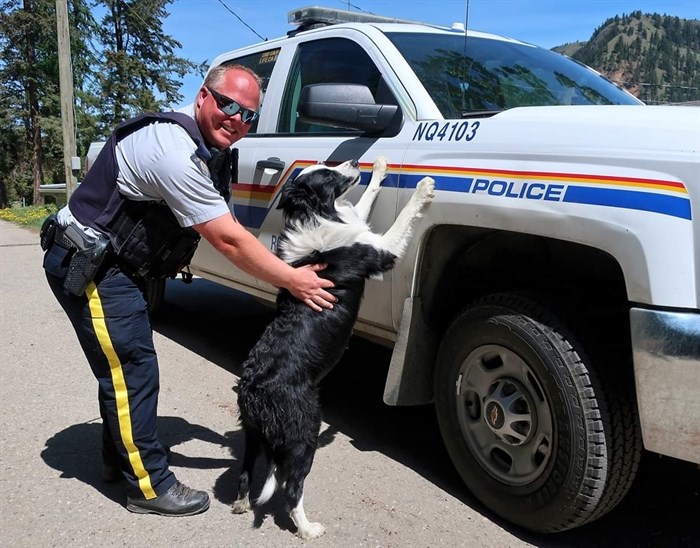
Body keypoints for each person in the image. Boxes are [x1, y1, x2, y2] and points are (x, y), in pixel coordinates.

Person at [41, 64, 335, 517]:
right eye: (229, 105)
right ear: (203, 97)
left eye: (249, 115)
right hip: (91, 265)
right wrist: (292, 278)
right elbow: (229, 238)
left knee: (123, 367)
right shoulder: (172, 150)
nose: (237, 119)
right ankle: (148, 485)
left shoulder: (208, 149)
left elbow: (228, 225)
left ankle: (116, 459)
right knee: (133, 369)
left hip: (119, 265)